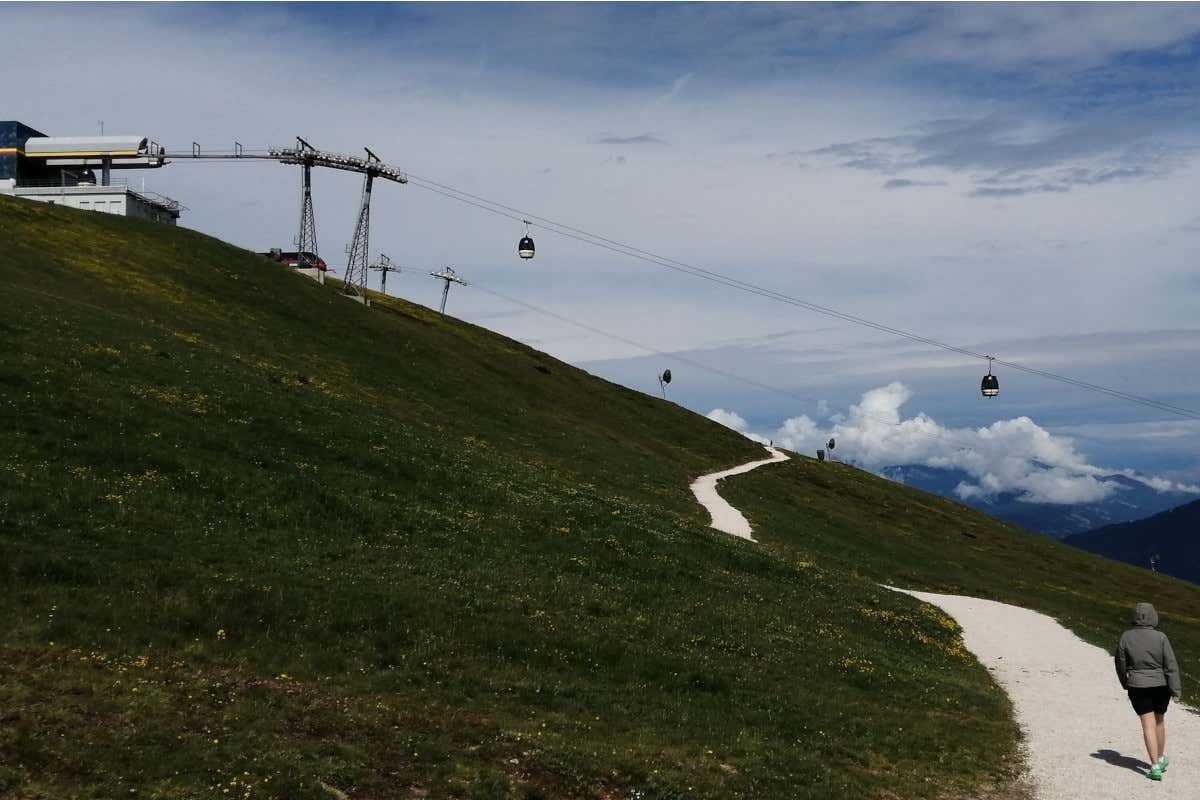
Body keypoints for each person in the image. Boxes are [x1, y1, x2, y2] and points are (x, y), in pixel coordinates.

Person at [1114, 602, 1182, 781]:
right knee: (1159, 721)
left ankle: (1154, 767)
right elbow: (1171, 665)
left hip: (1137, 685)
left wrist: (1125, 682)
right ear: (1153, 616)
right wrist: (1175, 689)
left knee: (1147, 724)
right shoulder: (1161, 637)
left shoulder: (1126, 637)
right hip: (1161, 686)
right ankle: (1160, 759)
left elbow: (1120, 663)